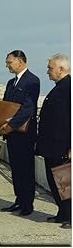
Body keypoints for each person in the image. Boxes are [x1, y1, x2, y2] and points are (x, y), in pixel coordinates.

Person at [0, 50, 40, 216]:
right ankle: (18, 200)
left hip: (24, 134)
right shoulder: (11, 83)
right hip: (12, 134)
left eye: (9, 62)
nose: (7, 65)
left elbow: (28, 108)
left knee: (26, 169)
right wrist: (3, 123)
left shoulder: (32, 81)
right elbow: (6, 105)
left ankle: (27, 204)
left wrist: (11, 125)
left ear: (20, 61)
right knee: (15, 169)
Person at [36, 54, 71, 229]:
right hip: (51, 146)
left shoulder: (68, 89)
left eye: (50, 68)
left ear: (61, 69)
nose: (48, 71)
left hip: (62, 146)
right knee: (55, 182)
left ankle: (70, 216)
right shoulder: (59, 88)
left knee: (65, 183)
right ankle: (62, 213)